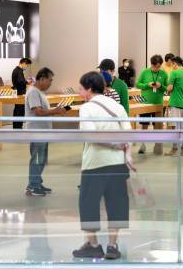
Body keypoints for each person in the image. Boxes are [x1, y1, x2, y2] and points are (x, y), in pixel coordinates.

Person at [73, 71, 135, 260]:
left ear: (89, 89)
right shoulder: (117, 107)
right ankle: (113, 245)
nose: (79, 91)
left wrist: (113, 144)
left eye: (81, 88)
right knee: (117, 203)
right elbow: (128, 134)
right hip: (118, 163)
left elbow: (91, 136)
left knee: (88, 203)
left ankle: (93, 244)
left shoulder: (87, 108)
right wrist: (127, 153)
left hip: (95, 163)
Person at [25, 67, 66, 196]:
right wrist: (55, 111)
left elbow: (43, 110)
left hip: (43, 131)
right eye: (50, 80)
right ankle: (33, 185)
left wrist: (54, 110)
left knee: (41, 158)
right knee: (37, 158)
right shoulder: (33, 92)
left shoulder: (40, 92)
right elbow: (38, 111)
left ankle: (37, 182)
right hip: (37, 132)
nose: (50, 83)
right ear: (41, 78)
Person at [136, 55, 169, 154]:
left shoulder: (163, 74)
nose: (157, 69)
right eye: (156, 67)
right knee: (144, 124)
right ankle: (143, 145)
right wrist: (147, 85)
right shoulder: (144, 72)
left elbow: (167, 87)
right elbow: (138, 84)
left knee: (157, 125)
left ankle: (157, 145)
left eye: (159, 67)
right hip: (145, 103)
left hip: (158, 103)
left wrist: (161, 86)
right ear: (152, 65)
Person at [165, 56, 183, 156]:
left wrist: (166, 88)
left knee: (175, 127)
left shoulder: (174, 73)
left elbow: (170, 88)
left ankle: (175, 149)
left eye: (172, 64)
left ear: (175, 64)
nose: (172, 66)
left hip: (176, 102)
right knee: (182, 127)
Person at [12, 57, 32, 129]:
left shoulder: (15, 70)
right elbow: (21, 82)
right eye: (27, 65)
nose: (27, 67)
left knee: (17, 110)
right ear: (23, 63)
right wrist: (27, 82)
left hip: (18, 93)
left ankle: (16, 127)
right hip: (20, 93)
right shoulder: (19, 71)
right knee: (20, 110)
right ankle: (18, 127)